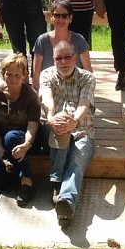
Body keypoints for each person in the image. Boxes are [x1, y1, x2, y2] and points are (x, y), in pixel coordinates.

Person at [39, 40, 96, 228]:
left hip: (82, 129)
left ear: (75, 57)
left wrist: (75, 121)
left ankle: (65, 201)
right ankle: (57, 183)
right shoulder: (46, 74)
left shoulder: (87, 77)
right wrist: (51, 117)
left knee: (76, 162)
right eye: (58, 58)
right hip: (54, 127)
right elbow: (47, 97)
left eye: (67, 57)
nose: (63, 62)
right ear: (53, 59)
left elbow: (84, 103)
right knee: (60, 124)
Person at [0, 53, 41, 206]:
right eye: (9, 74)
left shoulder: (31, 95)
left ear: (24, 75)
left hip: (27, 138)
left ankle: (26, 181)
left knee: (11, 137)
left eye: (17, 75)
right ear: (3, 74)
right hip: (1, 140)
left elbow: (32, 125)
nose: (13, 78)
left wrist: (26, 145)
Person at [31, 0, 92, 88]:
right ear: (51, 17)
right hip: (48, 89)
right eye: (57, 15)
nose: (60, 19)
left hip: (74, 90)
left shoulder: (79, 40)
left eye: (64, 16)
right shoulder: (42, 41)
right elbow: (36, 74)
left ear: (70, 18)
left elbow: (88, 71)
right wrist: (38, 94)